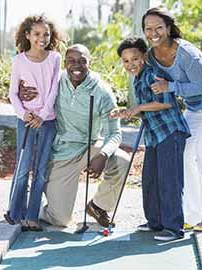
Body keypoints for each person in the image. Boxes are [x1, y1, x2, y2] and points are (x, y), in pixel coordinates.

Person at [142, 7, 202, 231]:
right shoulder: (152, 56)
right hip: (195, 106)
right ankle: (193, 215)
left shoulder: (186, 53)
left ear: (168, 28)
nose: (153, 32)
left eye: (159, 27)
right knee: (184, 152)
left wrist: (171, 87)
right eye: (148, 29)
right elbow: (156, 82)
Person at [19, 44, 131, 227]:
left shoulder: (102, 91)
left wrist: (103, 155)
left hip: (90, 145)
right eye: (71, 61)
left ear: (90, 63)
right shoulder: (53, 83)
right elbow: (31, 97)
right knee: (60, 220)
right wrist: (22, 93)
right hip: (60, 153)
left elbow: (115, 132)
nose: (76, 66)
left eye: (82, 61)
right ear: (65, 63)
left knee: (121, 160)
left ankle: (98, 206)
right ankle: (35, 203)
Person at [111, 37, 190, 241]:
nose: (131, 64)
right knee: (150, 179)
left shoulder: (153, 74)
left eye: (135, 59)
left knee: (169, 181)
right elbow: (146, 108)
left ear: (143, 56)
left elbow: (164, 103)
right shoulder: (138, 79)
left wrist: (137, 107)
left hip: (170, 133)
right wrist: (127, 112)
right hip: (155, 136)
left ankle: (173, 229)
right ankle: (155, 222)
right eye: (126, 61)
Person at [4, 14, 62, 231]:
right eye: (37, 34)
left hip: (47, 121)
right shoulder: (18, 60)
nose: (42, 38)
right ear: (27, 35)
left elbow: (54, 89)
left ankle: (32, 216)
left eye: (46, 34)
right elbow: (12, 93)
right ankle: (15, 212)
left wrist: (43, 114)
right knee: (22, 167)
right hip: (26, 121)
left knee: (40, 171)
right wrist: (23, 114)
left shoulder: (55, 58)